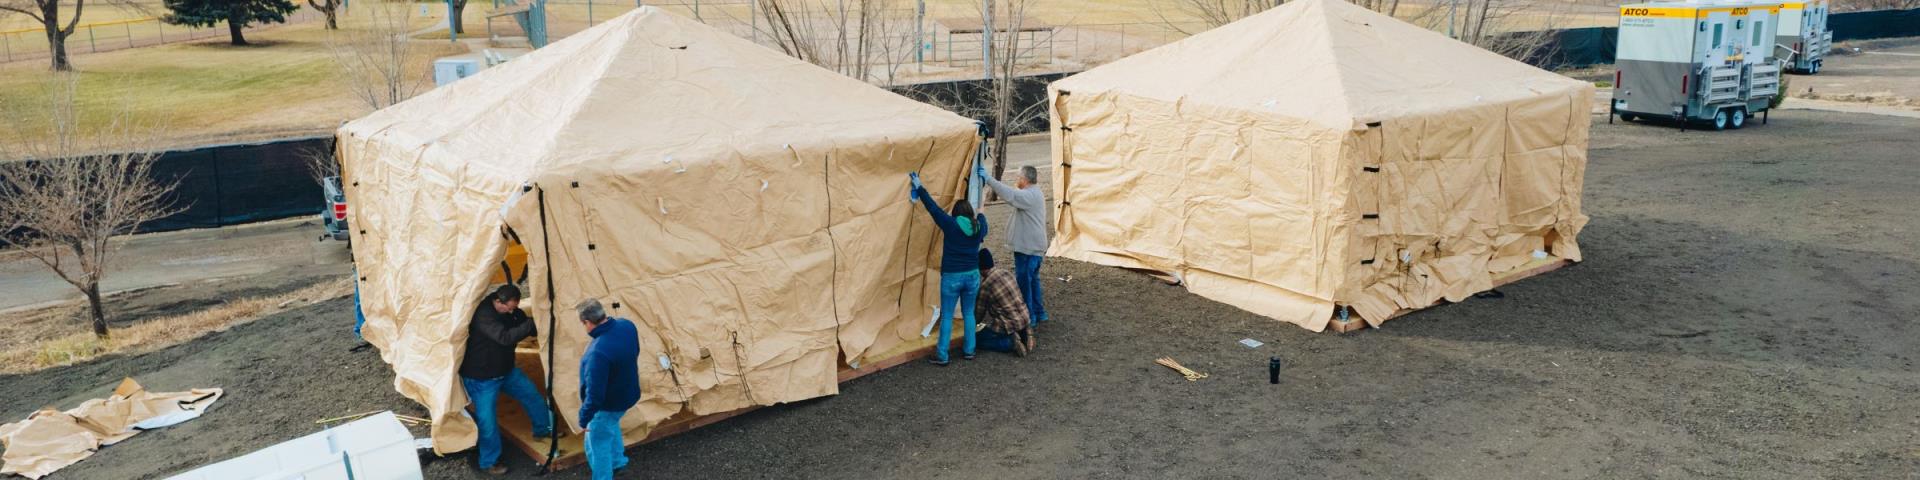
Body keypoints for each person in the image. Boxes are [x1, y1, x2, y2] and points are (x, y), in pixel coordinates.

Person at [459, 284, 556, 476]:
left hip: (506, 371)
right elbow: (503, 337)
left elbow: (524, 322)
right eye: (509, 307)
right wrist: (529, 325)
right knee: (487, 422)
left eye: (514, 307)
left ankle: (542, 430)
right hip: (482, 378)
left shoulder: (509, 311)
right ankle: (489, 461)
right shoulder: (483, 315)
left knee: (532, 395)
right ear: (497, 301)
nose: (512, 311)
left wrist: (541, 321)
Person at [908, 172, 989, 366]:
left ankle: (942, 355)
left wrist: (919, 186)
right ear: (970, 213)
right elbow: (982, 215)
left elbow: (932, 208)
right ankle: (969, 350)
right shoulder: (979, 227)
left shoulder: (951, 225)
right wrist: (982, 204)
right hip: (972, 276)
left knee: (947, 316)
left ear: (956, 214)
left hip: (952, 277)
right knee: (969, 314)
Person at [978, 163, 1050, 326]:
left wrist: (989, 179)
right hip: (1034, 247)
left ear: (1024, 179)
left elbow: (1009, 195)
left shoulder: (1028, 196)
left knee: (1025, 283)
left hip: (1028, 249)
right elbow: (1012, 194)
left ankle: (1029, 317)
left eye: (1018, 177)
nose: (1017, 179)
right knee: (1033, 281)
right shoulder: (1033, 193)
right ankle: (1039, 313)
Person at [576, 298, 640, 480]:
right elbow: (635, 352)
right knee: (610, 426)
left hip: (607, 405)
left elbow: (594, 395)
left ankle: (603, 476)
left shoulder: (597, 352)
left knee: (597, 444)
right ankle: (619, 464)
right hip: (628, 394)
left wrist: (584, 419)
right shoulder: (627, 326)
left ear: (587, 322)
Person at [974, 249, 1036, 356]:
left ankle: (1010, 343)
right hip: (1024, 317)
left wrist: (970, 327)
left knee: (977, 339)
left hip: (1008, 324)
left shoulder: (985, 285)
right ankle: (1025, 334)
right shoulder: (1006, 272)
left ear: (980, 268)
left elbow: (979, 314)